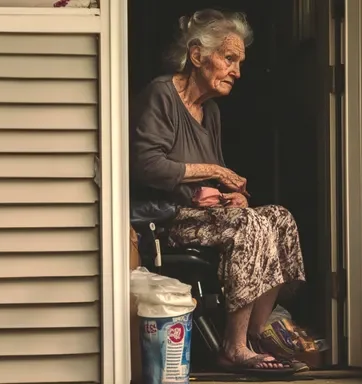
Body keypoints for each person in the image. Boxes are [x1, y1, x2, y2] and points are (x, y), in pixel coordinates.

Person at [129, 9, 307, 375]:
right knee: (248, 225)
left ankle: (255, 337)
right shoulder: (161, 95)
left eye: (239, 62)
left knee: (279, 218)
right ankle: (234, 347)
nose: (237, 71)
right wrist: (213, 172)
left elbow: (214, 181)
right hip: (166, 220)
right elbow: (145, 165)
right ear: (197, 56)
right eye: (229, 59)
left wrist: (231, 194)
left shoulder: (210, 113)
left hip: (203, 215)